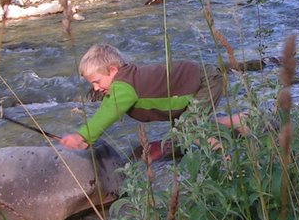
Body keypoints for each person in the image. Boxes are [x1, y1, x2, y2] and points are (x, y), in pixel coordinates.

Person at [60, 44, 246, 151]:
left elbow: (110, 113)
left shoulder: (124, 86)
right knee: (183, 129)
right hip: (198, 80)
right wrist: (88, 140)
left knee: (188, 130)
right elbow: (103, 113)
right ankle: (236, 122)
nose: (95, 88)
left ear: (113, 70)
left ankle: (225, 159)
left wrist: (80, 135)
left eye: (97, 81)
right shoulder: (122, 83)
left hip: (204, 81)